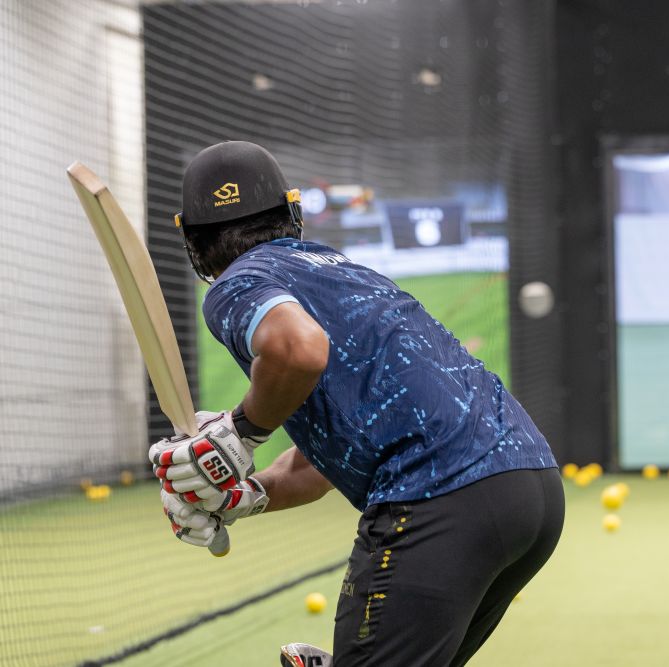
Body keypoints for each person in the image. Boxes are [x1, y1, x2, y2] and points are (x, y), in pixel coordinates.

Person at [150, 141, 563, 666]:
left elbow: (299, 349)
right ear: (290, 212)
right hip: (531, 489)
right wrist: (243, 496)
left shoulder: (238, 284)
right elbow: (320, 463)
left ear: (192, 237)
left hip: (437, 497)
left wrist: (239, 434)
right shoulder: (345, 272)